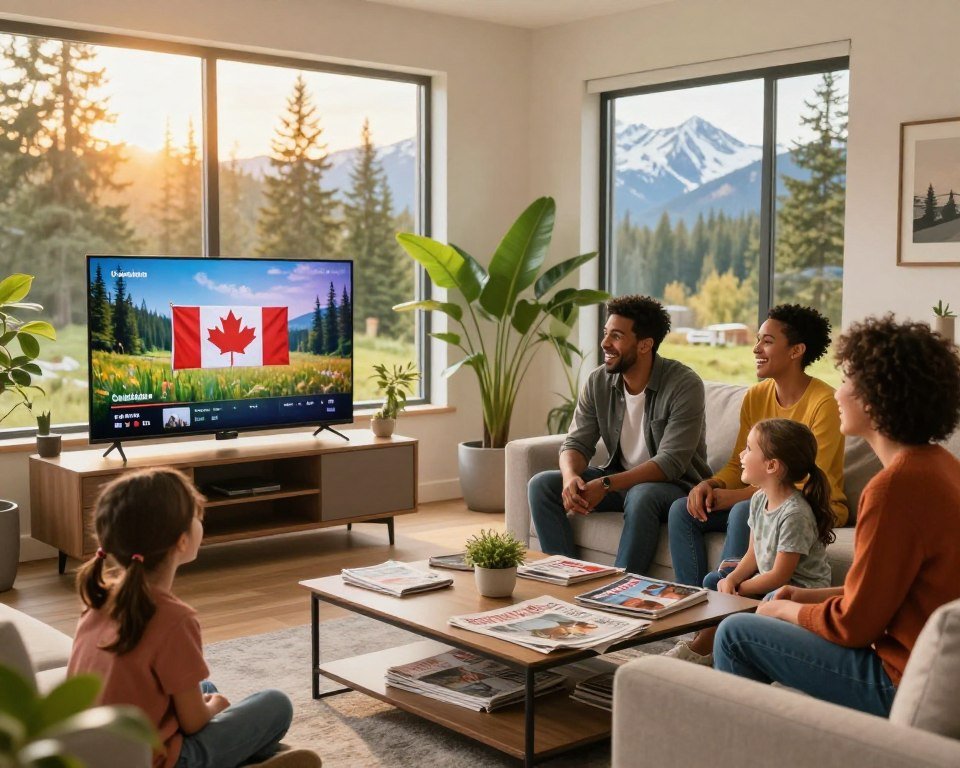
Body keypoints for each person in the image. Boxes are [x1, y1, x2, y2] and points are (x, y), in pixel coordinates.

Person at [713, 316, 960, 716]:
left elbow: (855, 625)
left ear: (874, 396)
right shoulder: (943, 466)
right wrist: (805, 596)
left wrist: (787, 609)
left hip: (900, 679)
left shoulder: (894, 488)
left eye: (846, 380)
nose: (839, 392)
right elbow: (885, 595)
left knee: (736, 633)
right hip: (931, 665)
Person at [67, 467, 322, 768]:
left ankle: (255, 752)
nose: (202, 521)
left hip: (96, 752)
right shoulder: (173, 619)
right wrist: (214, 709)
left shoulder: (98, 598)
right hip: (159, 761)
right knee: (274, 705)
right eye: (197, 515)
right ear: (182, 541)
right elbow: (193, 723)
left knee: (205, 688)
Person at [667, 304, 847, 590]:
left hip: (811, 502)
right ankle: (692, 604)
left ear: (796, 350)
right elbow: (737, 466)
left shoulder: (824, 402)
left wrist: (736, 497)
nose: (756, 349)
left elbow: (807, 479)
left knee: (741, 508)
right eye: (757, 340)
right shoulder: (756, 395)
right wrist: (711, 484)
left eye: (767, 341)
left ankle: (731, 593)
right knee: (683, 510)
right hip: (765, 496)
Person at [528, 295, 710, 575]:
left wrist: (606, 484)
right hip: (619, 480)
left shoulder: (684, 385)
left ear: (645, 344)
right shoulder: (599, 381)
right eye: (605, 334)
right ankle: (567, 575)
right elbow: (576, 443)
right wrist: (570, 478)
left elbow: (671, 463)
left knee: (642, 495)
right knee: (542, 485)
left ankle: (618, 588)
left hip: (674, 487)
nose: (604, 344)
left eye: (616, 336)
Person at [665, 418, 833, 664]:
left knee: (742, 594)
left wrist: (739, 589)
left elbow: (780, 576)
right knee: (715, 580)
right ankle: (704, 647)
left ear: (772, 465)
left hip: (796, 591)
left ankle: (704, 650)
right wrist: (732, 579)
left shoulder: (794, 514)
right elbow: (753, 554)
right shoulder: (757, 499)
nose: (742, 455)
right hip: (769, 582)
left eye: (749, 449)